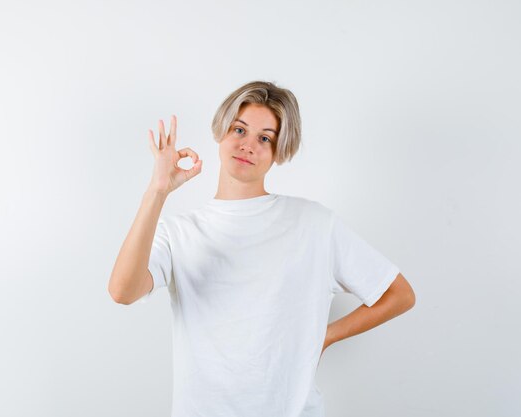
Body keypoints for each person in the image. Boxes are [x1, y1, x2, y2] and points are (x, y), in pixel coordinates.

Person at [108, 80, 416, 417]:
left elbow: (399, 294)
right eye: (239, 130)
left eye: (265, 138)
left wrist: (324, 336)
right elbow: (123, 291)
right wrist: (157, 191)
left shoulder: (313, 224)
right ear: (221, 133)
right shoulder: (180, 232)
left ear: (279, 151)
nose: (248, 145)